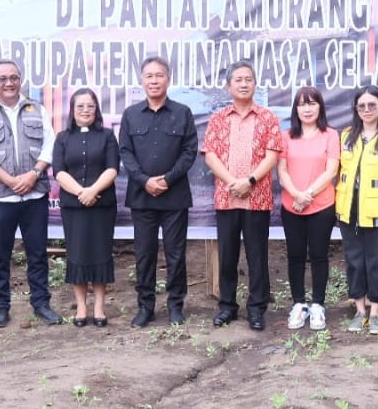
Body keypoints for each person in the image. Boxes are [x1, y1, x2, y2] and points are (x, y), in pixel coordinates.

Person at [0, 58, 60, 327]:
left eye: (13, 77)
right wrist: (11, 181)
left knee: (37, 252)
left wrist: (34, 174)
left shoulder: (37, 109)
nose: (8, 83)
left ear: (20, 79)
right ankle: (0, 307)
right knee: (0, 254)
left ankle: (41, 304)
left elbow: (50, 145)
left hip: (34, 195)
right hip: (0, 196)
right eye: (2, 79)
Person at [201, 60, 284, 331]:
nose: (244, 83)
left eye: (248, 79)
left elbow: (272, 154)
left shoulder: (267, 117)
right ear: (229, 86)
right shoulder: (218, 118)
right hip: (226, 198)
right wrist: (232, 182)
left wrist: (249, 181)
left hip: (256, 198)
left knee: (257, 255)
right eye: (238, 79)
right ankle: (227, 306)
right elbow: (210, 155)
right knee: (227, 255)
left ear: (255, 84)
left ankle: (257, 308)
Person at [117, 56, 199, 328]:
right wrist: (144, 180)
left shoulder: (182, 112)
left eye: (159, 75)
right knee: (145, 253)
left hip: (174, 196)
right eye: (149, 76)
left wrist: (167, 179)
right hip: (142, 196)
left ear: (168, 79)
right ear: (142, 80)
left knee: (176, 254)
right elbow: (125, 153)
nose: (154, 80)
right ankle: (145, 307)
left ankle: (175, 306)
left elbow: (189, 151)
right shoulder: (131, 115)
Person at [336, 85, 378, 334]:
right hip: (348, 211)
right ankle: (359, 311)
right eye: (362, 105)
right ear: (356, 108)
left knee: (375, 263)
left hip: (377, 213)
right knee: (354, 262)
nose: (366, 110)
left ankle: (375, 312)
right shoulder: (345, 136)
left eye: (372, 105)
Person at [52, 88, 120, 326]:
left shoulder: (107, 136)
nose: (85, 110)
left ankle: (100, 308)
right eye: (80, 106)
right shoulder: (62, 138)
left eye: (90, 106)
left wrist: (93, 191)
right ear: (72, 109)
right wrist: (81, 192)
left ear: (96, 109)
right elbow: (58, 171)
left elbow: (112, 168)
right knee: (78, 255)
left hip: (102, 206)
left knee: (100, 255)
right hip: (74, 206)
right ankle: (81, 307)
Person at [277, 86, 339, 330]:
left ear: (320, 107)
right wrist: (296, 195)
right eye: (302, 104)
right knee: (295, 256)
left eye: (312, 103)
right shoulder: (286, 136)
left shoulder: (330, 135)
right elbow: (281, 170)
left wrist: (308, 194)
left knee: (319, 256)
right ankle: (299, 304)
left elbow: (331, 170)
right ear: (296, 108)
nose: (307, 108)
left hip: (321, 205)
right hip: (291, 205)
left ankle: (318, 306)